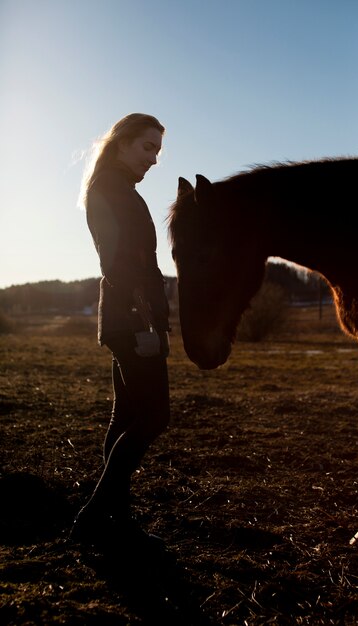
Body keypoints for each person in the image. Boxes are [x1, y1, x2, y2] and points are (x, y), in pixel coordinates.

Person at [71, 113, 170, 550]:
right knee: (154, 416)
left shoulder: (118, 189)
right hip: (133, 319)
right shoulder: (111, 190)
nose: (154, 159)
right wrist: (143, 309)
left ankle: (116, 519)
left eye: (158, 151)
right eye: (148, 147)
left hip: (128, 316)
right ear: (123, 143)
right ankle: (95, 517)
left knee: (127, 416)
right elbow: (115, 263)